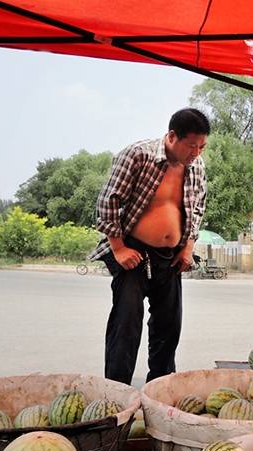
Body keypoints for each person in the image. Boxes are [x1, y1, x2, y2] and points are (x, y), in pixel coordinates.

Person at [88, 108, 210, 385]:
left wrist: (188, 247)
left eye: (202, 146)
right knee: (126, 325)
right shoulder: (137, 155)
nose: (197, 152)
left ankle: (161, 388)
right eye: (191, 145)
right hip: (133, 252)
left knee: (169, 327)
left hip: (172, 256)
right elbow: (109, 201)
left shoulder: (197, 167)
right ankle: (118, 392)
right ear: (171, 136)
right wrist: (118, 248)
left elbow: (197, 209)